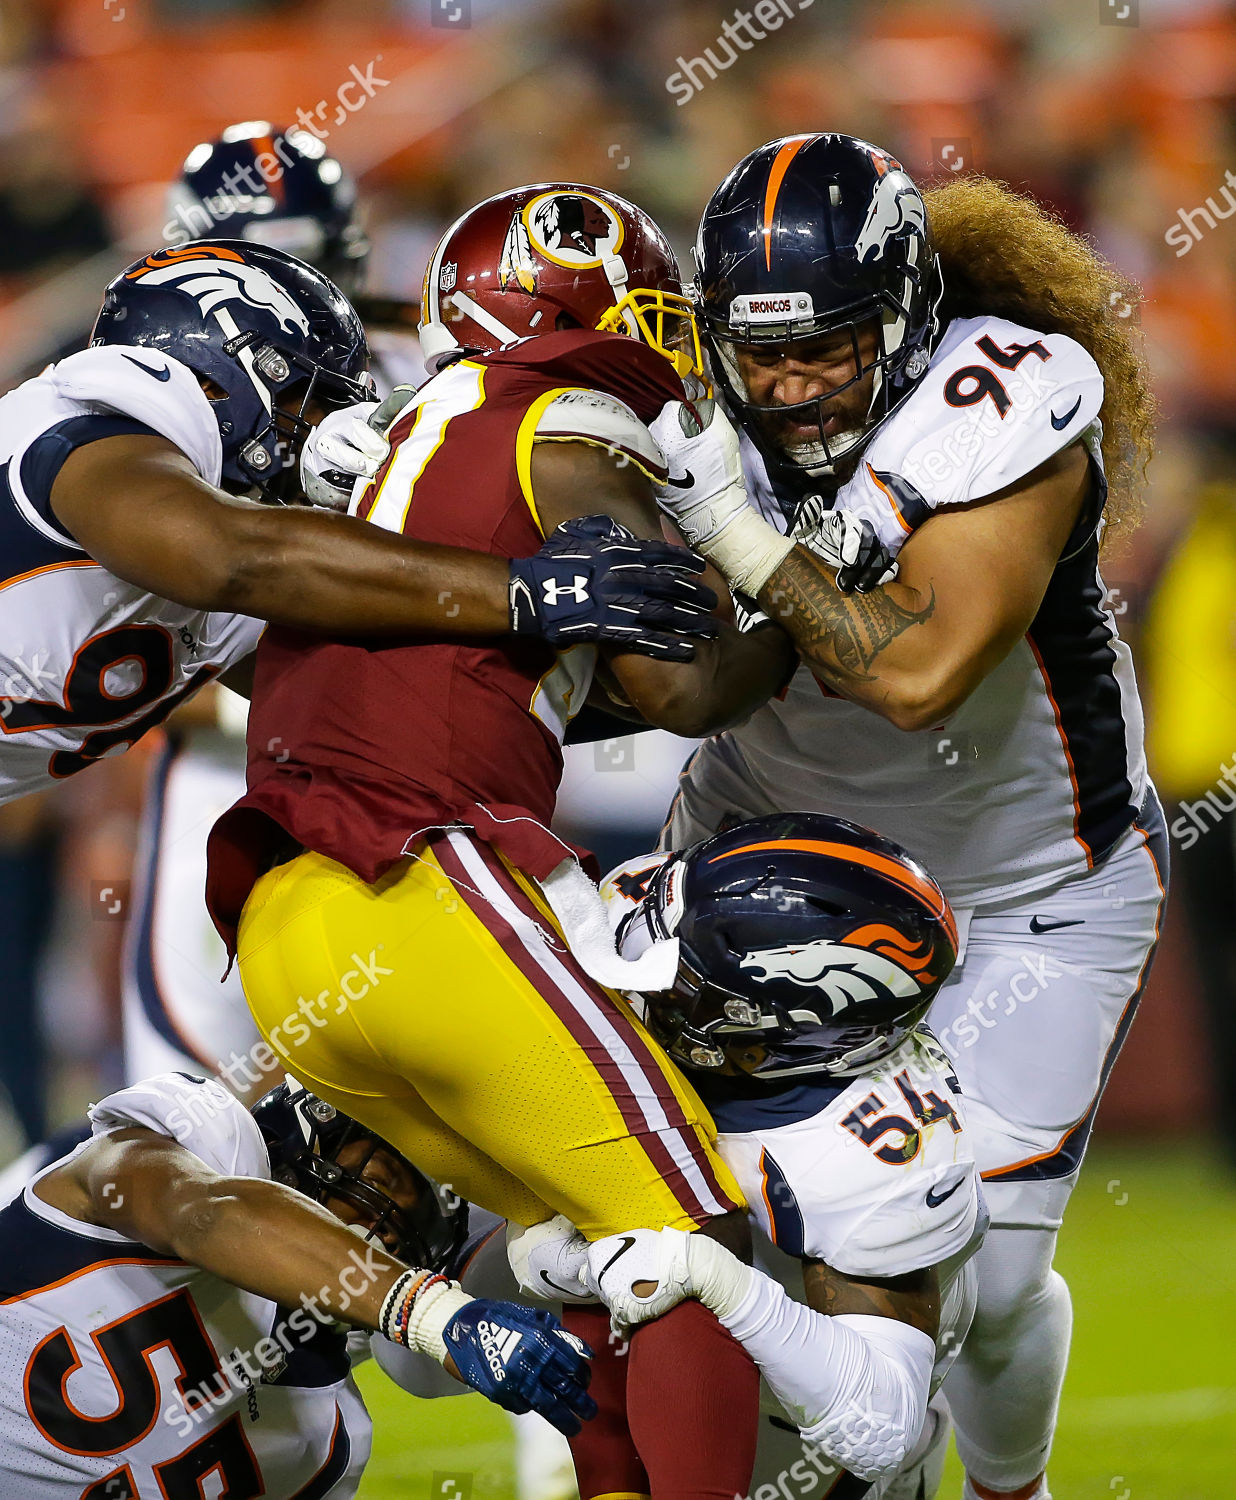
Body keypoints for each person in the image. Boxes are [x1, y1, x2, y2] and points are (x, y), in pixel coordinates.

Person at [206, 181, 797, 1500]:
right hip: (424, 885)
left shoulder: (401, 445)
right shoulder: (564, 423)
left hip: (290, 935)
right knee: (691, 1238)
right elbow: (681, 687)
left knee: (585, 1243)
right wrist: (797, 608)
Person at [648, 134, 1166, 1500]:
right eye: (761, 355)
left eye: (833, 346)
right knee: (756, 1263)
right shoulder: (672, 402)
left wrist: (737, 534)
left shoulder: (1006, 391)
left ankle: (1012, 1488)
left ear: (913, 314)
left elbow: (917, 675)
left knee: (980, 1284)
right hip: (764, 871)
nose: (792, 385)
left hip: (1024, 894)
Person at [0, 236, 715, 807]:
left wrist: (661, 676)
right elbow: (231, 557)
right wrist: (533, 592)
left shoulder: (234, 549)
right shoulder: (79, 425)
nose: (310, 428)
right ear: (213, 374)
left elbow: (390, 692)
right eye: (301, 398)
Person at [509, 812, 984, 1499]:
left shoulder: (864, 1156)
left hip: (795, 1376)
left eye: (683, 988)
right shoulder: (653, 904)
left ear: (783, 1033)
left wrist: (712, 1276)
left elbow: (878, 1427)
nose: (638, 991)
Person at [0, 1070, 594, 1497]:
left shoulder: (331, 1440)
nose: (374, 1233)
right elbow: (202, 1211)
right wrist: (434, 1313)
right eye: (379, 1176)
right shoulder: (204, 1141)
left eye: (404, 1235)